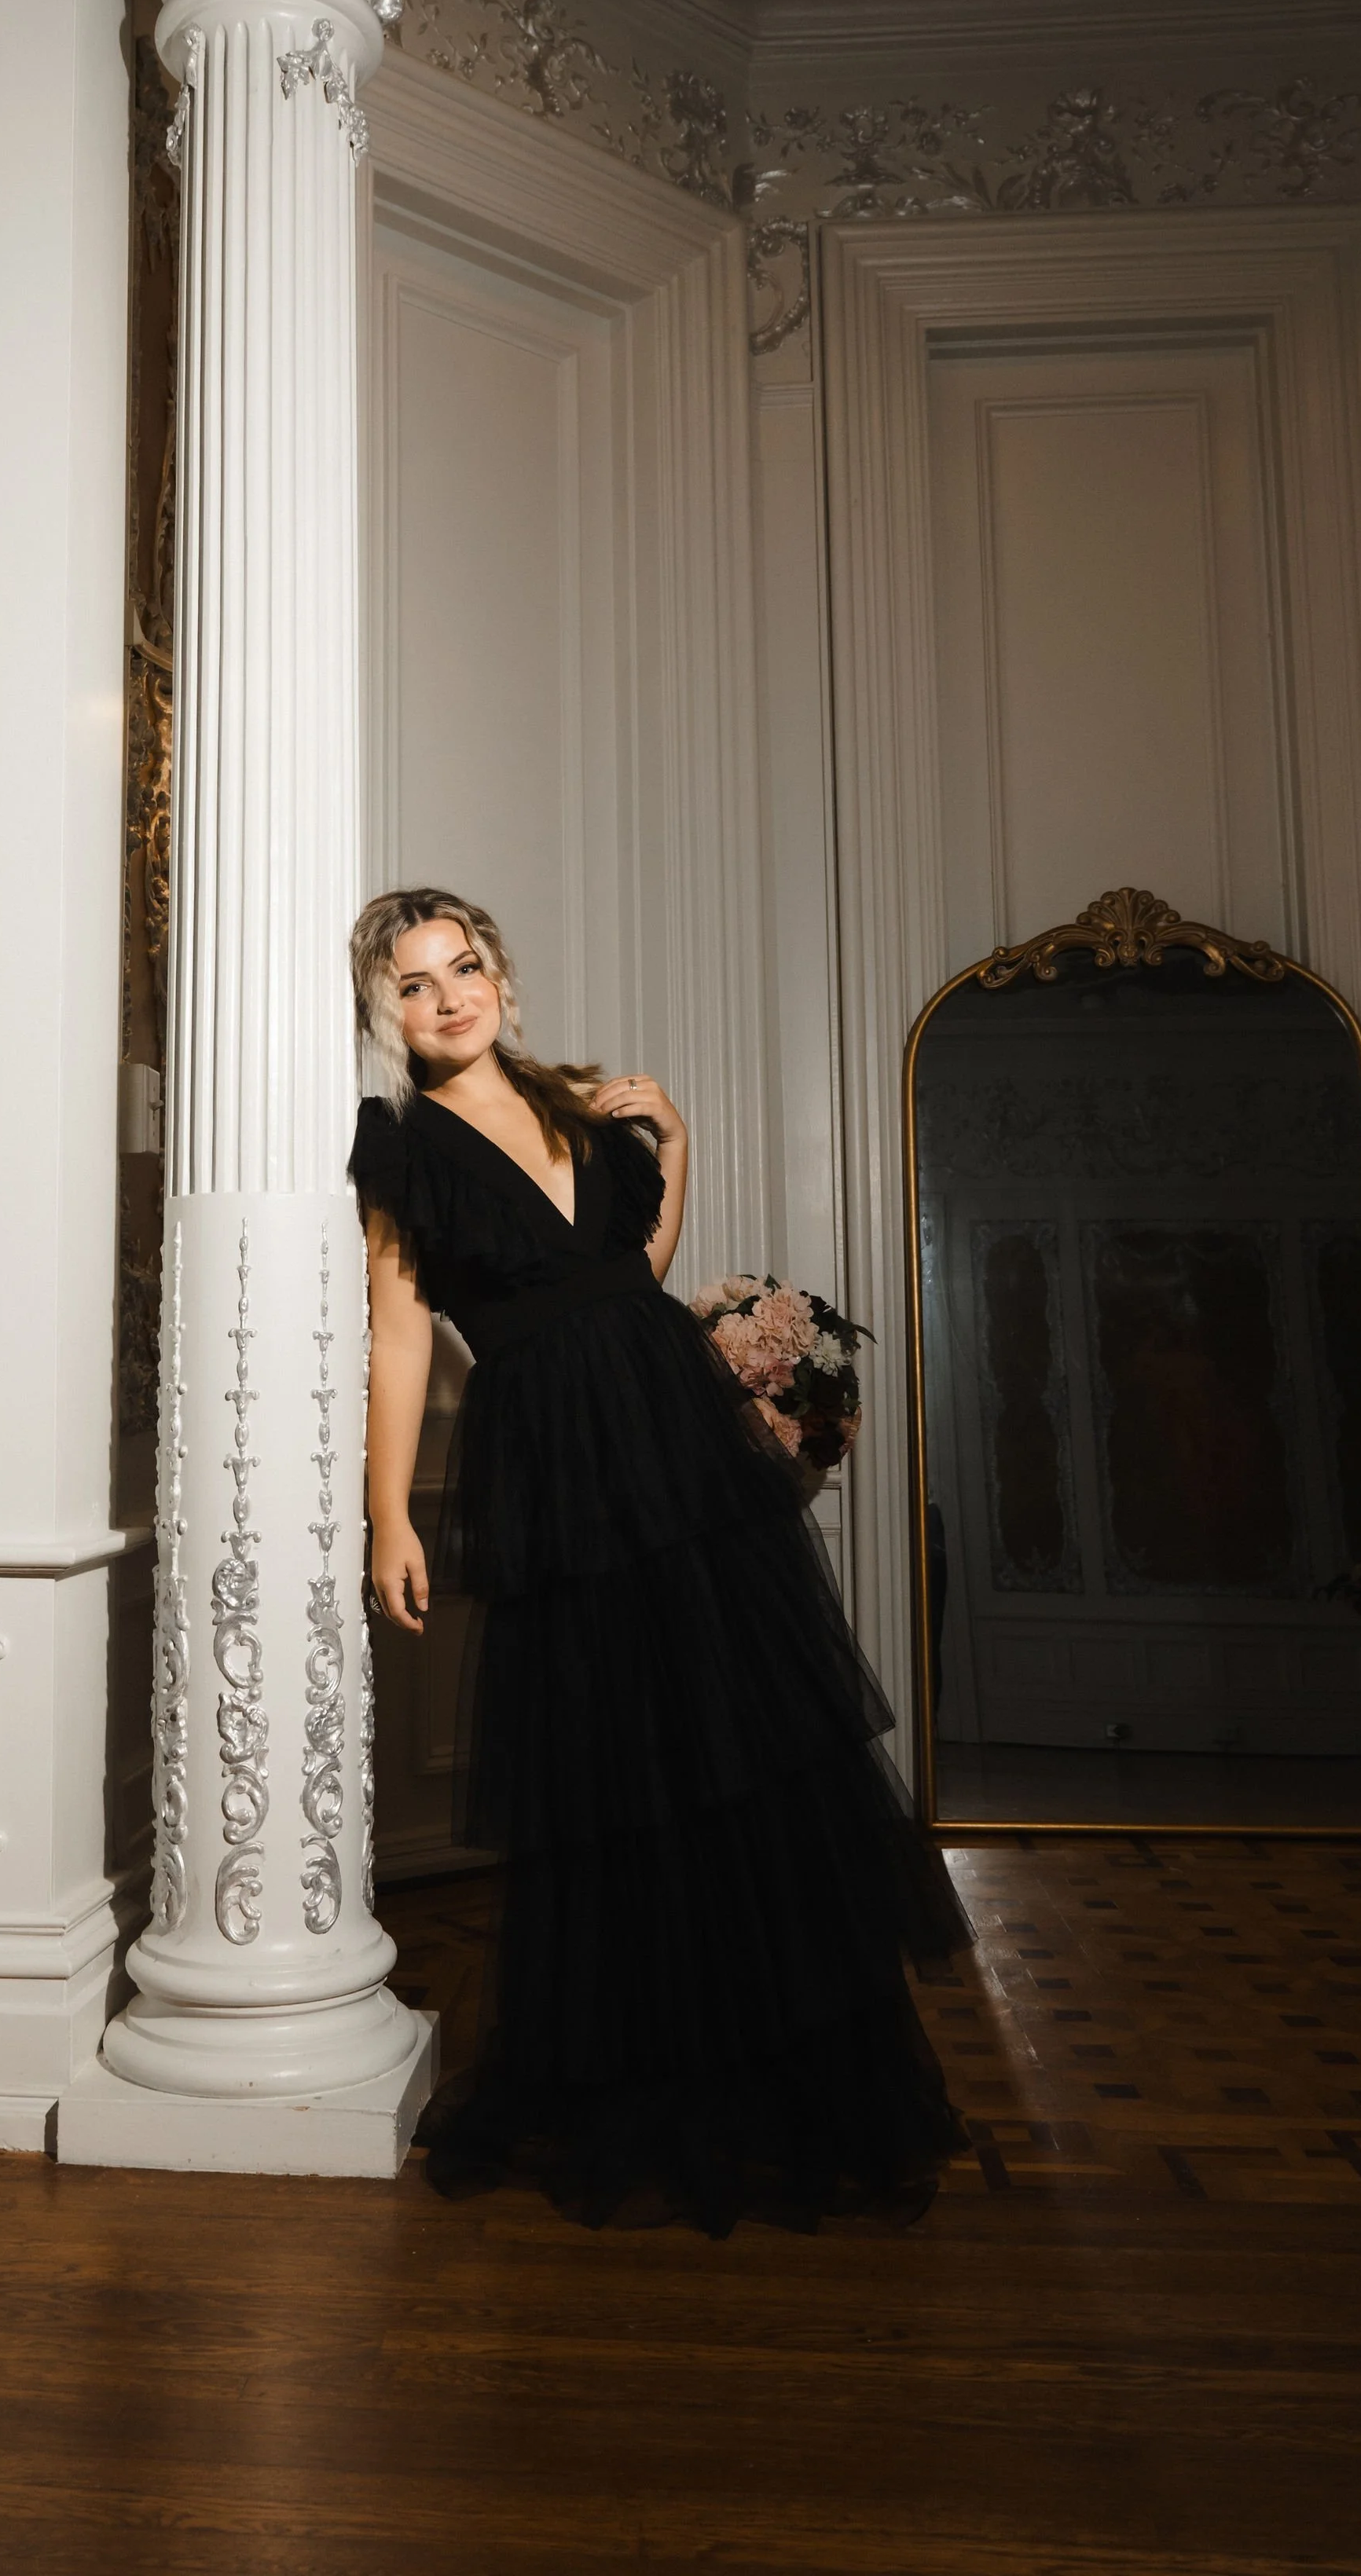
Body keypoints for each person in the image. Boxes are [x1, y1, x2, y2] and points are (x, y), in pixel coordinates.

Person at [349, 885, 969, 2236]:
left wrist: (673, 1144)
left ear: (501, 976)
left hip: (674, 1439)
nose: (446, 996)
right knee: (615, 1765)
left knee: (737, 1748)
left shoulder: (585, 1105)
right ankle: (644, 2069)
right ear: (382, 1011)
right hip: (557, 1460)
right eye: (412, 983)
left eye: (463, 968)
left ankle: (781, 2069)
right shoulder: (398, 1141)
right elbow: (402, 1334)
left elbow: (631, 1269)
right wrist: (387, 1511)